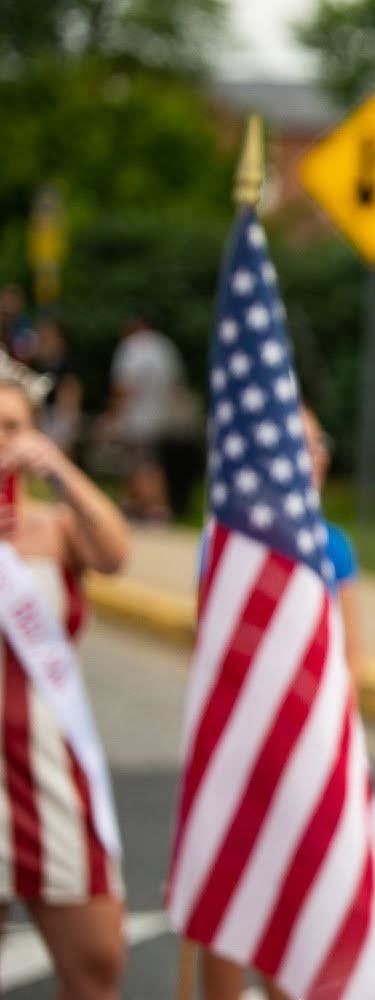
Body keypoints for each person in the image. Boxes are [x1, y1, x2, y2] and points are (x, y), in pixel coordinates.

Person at [196, 403, 364, 1000]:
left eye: (319, 445)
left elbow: (351, 653)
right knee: (231, 894)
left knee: (299, 901)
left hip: (312, 736)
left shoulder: (333, 545)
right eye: (298, 445)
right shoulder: (234, 538)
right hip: (246, 738)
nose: (313, 457)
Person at [0, 358, 132, 997]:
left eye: (11, 427)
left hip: (51, 769)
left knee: (97, 961)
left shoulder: (54, 530)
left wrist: (58, 469)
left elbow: (115, 552)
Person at [107, 314, 185, 522]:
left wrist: (115, 415)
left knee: (138, 463)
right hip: (161, 415)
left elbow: (124, 386)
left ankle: (147, 507)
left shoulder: (132, 347)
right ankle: (152, 507)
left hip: (136, 417)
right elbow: (175, 385)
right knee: (152, 461)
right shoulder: (164, 347)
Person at [31, 316, 83, 456]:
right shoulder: (37, 366)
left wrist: (64, 432)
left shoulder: (66, 368)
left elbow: (70, 402)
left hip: (56, 425)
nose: (40, 342)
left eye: (45, 338)